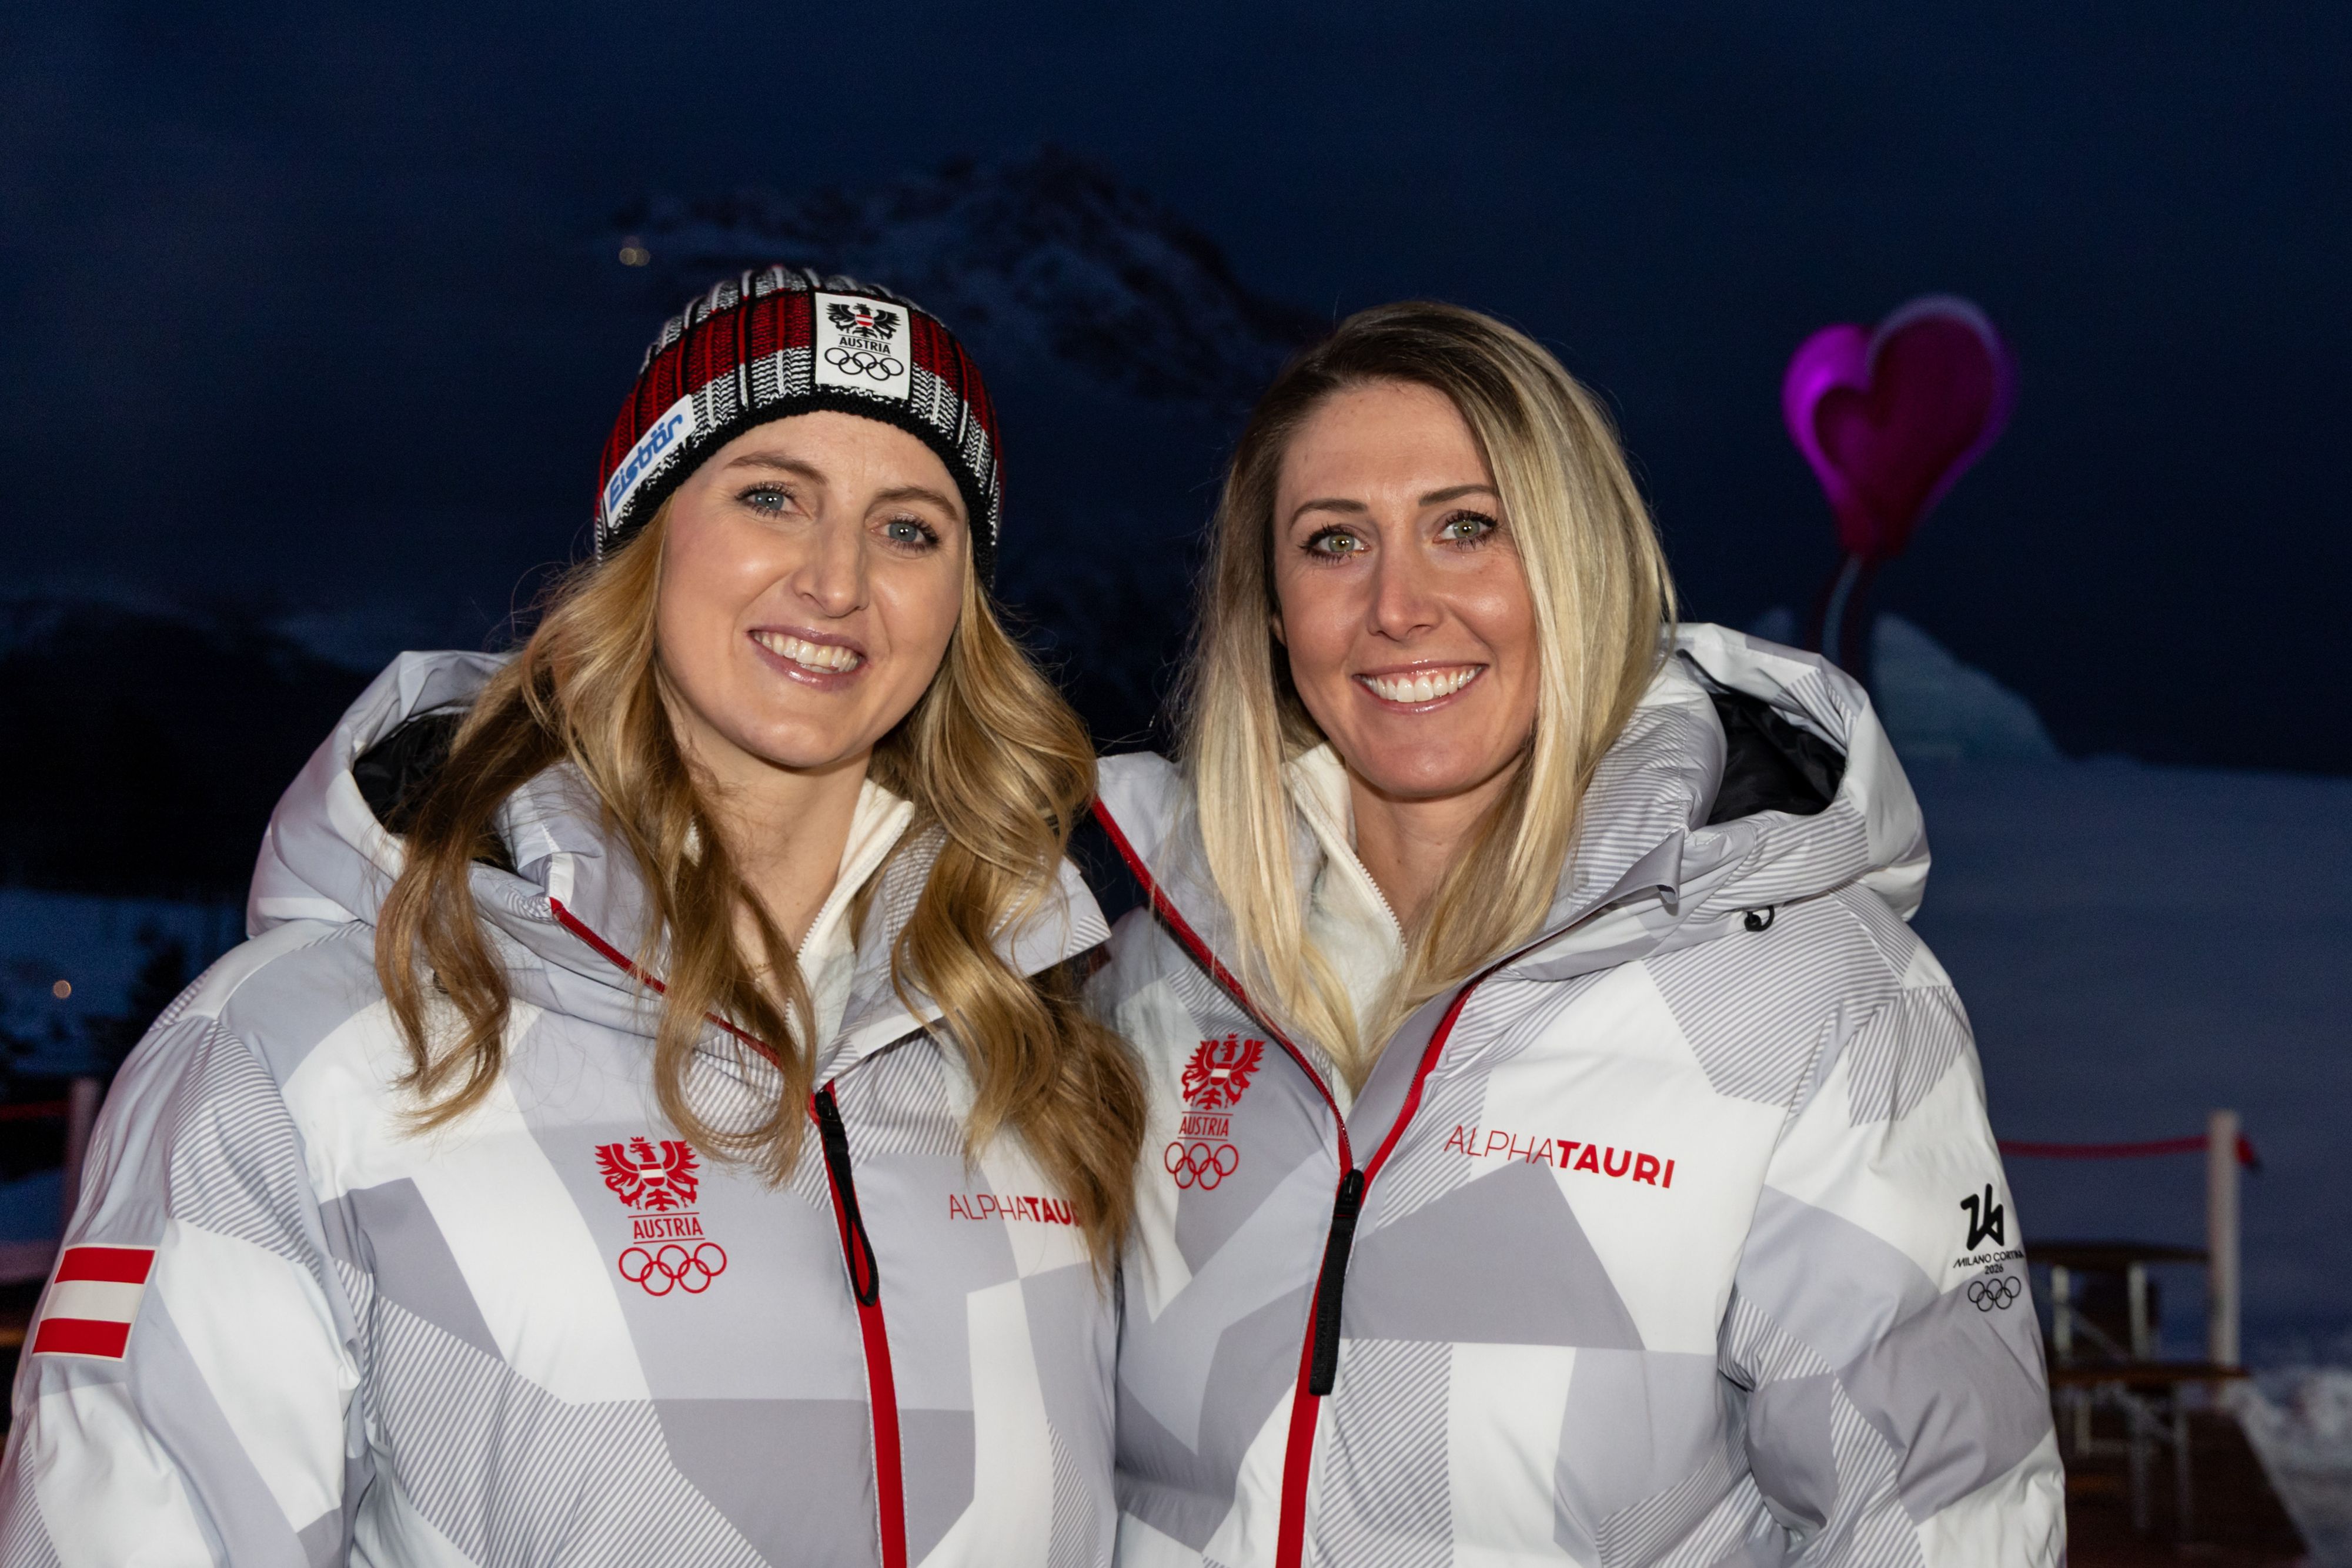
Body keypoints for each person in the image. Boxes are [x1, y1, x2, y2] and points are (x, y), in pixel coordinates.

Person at [0, 267, 1145, 1567]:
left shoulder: (1026, 1051)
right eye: (771, 494)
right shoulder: (305, 1044)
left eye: (911, 528)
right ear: (645, 535)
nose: (838, 579)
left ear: (959, 604)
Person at [1085, 302, 2062, 1565]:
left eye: (1466, 527)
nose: (1397, 604)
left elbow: (1937, 1518)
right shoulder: (1153, 968)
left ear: (1576, 562)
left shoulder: (1804, 989)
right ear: (1270, 611)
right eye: (1333, 542)